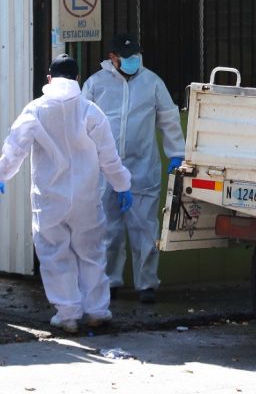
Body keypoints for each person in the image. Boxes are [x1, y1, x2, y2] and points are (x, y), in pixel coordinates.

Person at [0, 53, 132, 334]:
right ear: (78, 78)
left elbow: (14, 148)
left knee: (54, 255)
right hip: (86, 197)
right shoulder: (90, 111)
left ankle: (68, 315)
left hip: (49, 198)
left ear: (49, 79)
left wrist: (2, 174)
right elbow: (109, 157)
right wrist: (122, 185)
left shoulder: (35, 110)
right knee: (91, 252)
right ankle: (97, 311)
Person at [82, 33, 185, 303]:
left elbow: (169, 118)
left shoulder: (152, 82)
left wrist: (176, 153)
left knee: (145, 230)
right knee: (108, 231)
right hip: (106, 171)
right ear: (112, 58)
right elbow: (81, 123)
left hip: (142, 168)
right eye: (126, 57)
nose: (132, 60)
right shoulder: (95, 84)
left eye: (135, 55)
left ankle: (146, 284)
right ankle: (110, 282)